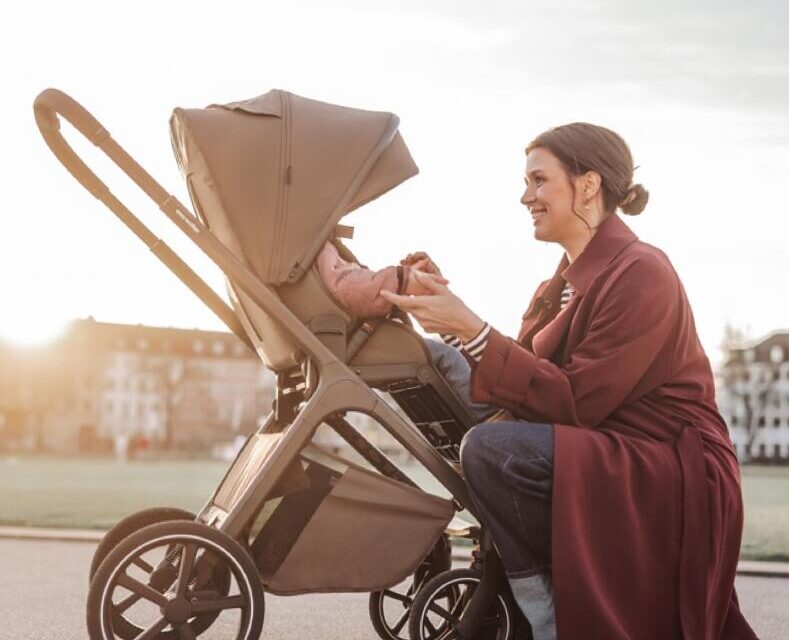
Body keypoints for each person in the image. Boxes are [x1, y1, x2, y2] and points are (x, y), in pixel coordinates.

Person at [381, 123, 757, 640]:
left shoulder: (643, 272)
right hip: (601, 440)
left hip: (666, 463)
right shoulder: (557, 285)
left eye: (539, 181)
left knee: (491, 449)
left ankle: (550, 619)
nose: (525, 197)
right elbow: (521, 379)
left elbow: (576, 401)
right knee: (433, 361)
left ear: (588, 186)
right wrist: (449, 319)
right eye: (526, 183)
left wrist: (470, 326)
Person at [316, 240, 495, 421]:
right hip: (367, 341)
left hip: (363, 340)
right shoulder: (321, 246)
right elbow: (351, 287)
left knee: (444, 362)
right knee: (448, 357)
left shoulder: (314, 250)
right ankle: (489, 416)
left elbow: (357, 285)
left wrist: (405, 279)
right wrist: (403, 279)